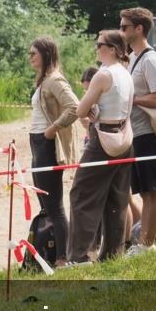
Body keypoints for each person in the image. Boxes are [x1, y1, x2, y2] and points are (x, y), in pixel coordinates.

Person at [66, 30, 135, 264]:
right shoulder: (125, 74)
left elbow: (80, 110)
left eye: (100, 45)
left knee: (81, 195)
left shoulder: (103, 75)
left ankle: (80, 255)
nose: (96, 48)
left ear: (113, 49)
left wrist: (93, 113)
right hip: (125, 138)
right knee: (117, 198)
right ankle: (113, 254)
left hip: (102, 139)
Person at [119, 8, 156, 257]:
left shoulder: (150, 59)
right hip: (136, 133)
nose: (122, 31)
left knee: (154, 189)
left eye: (125, 26)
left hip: (149, 132)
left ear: (139, 29)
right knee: (145, 191)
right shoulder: (133, 58)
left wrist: (132, 100)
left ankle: (148, 243)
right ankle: (143, 242)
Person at [28, 37, 80, 268]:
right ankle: (50, 252)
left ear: (46, 54)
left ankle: (62, 258)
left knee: (55, 207)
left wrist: (52, 129)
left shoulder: (54, 80)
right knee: (45, 205)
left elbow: (75, 107)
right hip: (37, 143)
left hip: (47, 144)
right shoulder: (44, 81)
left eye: (33, 53)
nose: (30, 57)